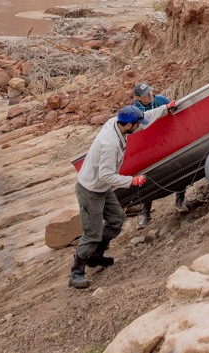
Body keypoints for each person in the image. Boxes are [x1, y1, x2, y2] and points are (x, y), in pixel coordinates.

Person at [69, 105, 149, 289]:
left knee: (116, 219)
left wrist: (164, 109)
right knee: (92, 233)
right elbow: (106, 175)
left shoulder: (116, 122)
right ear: (128, 124)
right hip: (90, 190)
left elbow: (144, 117)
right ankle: (76, 272)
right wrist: (132, 181)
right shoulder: (111, 145)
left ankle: (94, 255)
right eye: (137, 124)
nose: (138, 126)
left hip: (102, 188)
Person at [133, 83, 187, 226]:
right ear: (138, 98)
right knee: (147, 178)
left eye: (150, 92)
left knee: (180, 166)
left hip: (167, 140)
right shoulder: (134, 110)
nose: (150, 95)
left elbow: (174, 111)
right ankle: (146, 215)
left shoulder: (161, 100)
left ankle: (180, 201)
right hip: (148, 147)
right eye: (145, 94)